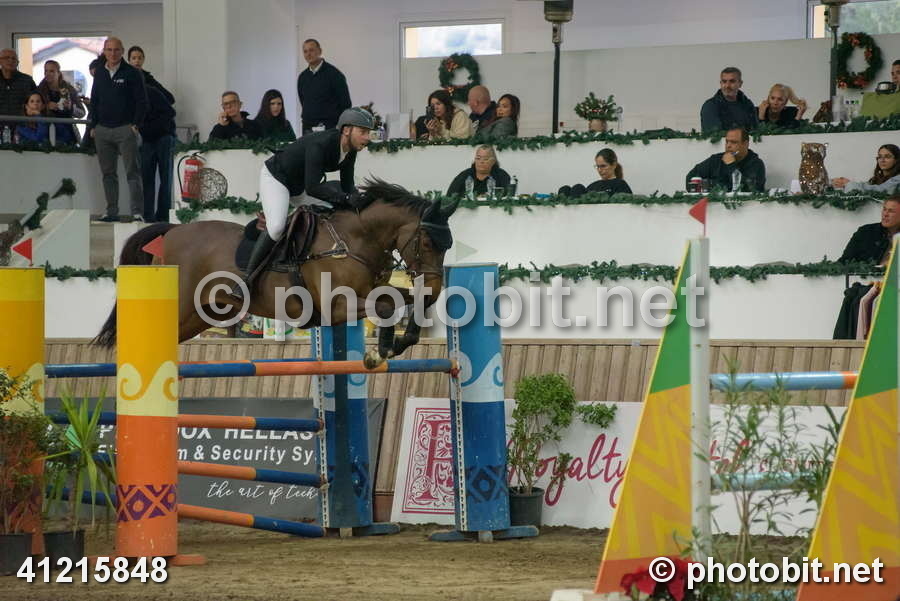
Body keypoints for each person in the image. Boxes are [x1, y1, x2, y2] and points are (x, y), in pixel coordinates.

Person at [231, 107, 376, 301]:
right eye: (363, 132)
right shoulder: (321, 144)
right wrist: (346, 199)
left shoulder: (350, 150)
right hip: (277, 178)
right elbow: (314, 187)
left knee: (334, 210)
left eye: (368, 132)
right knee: (276, 227)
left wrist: (360, 205)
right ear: (347, 130)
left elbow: (348, 185)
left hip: (299, 187)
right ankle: (246, 280)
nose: (367, 138)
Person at [89, 36, 148, 223]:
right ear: (104, 51)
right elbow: (94, 100)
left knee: (133, 172)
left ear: (122, 51)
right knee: (108, 174)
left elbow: (142, 101)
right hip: (102, 130)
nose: (113, 53)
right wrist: (93, 125)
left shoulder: (132, 73)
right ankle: (111, 211)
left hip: (125, 129)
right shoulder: (100, 72)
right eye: (109, 50)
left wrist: (135, 125)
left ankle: (137, 212)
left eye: (116, 50)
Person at [833, 197, 900, 339]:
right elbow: (844, 261)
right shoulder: (866, 232)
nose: (885, 214)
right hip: (866, 283)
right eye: (884, 209)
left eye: (891, 211)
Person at [296, 39, 351, 134]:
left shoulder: (335, 75)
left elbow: (345, 104)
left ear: (320, 51)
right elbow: (304, 102)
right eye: (305, 51)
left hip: (329, 129)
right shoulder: (302, 77)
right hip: (308, 129)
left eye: (311, 50)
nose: (308, 54)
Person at [685, 127, 766, 192]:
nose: (728, 146)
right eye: (727, 141)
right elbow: (690, 178)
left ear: (745, 144)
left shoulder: (756, 164)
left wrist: (731, 165)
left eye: (733, 142)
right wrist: (723, 186)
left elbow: (748, 189)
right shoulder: (715, 160)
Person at [139, 85, 176, 222]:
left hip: (163, 137)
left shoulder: (149, 91)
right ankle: (151, 215)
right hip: (149, 138)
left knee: (163, 178)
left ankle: (161, 215)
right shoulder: (134, 94)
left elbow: (170, 112)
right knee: (149, 178)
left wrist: (147, 129)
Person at [36, 60, 85, 145]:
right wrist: (46, 106)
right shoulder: (39, 90)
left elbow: (82, 113)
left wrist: (71, 107)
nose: (47, 74)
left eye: (51, 71)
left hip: (67, 132)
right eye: (46, 71)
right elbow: (31, 109)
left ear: (58, 73)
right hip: (46, 131)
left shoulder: (69, 89)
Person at [700, 67, 757, 133]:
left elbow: (755, 130)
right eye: (724, 81)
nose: (727, 86)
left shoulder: (748, 104)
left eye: (732, 81)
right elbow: (714, 135)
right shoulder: (710, 106)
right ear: (720, 83)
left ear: (740, 83)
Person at [558, 148, 632, 197]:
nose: (599, 170)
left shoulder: (621, 185)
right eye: (597, 166)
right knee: (567, 189)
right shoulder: (592, 186)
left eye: (603, 166)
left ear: (614, 165)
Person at [446, 145, 511, 198]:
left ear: (493, 161)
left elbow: (508, 195)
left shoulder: (502, 175)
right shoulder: (465, 175)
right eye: (478, 158)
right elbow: (450, 196)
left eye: (485, 159)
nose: (481, 161)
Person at [831, 144, 900, 194]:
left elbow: (880, 190)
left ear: (896, 160)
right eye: (880, 157)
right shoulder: (876, 178)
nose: (882, 160)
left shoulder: (898, 178)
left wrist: (850, 184)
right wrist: (843, 183)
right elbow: (868, 186)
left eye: (887, 157)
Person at [0, 48, 37, 130]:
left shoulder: (27, 80)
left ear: (17, 63)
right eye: (7, 58)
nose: (10, 61)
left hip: (22, 127)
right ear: (0, 61)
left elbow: (37, 101)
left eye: (14, 59)